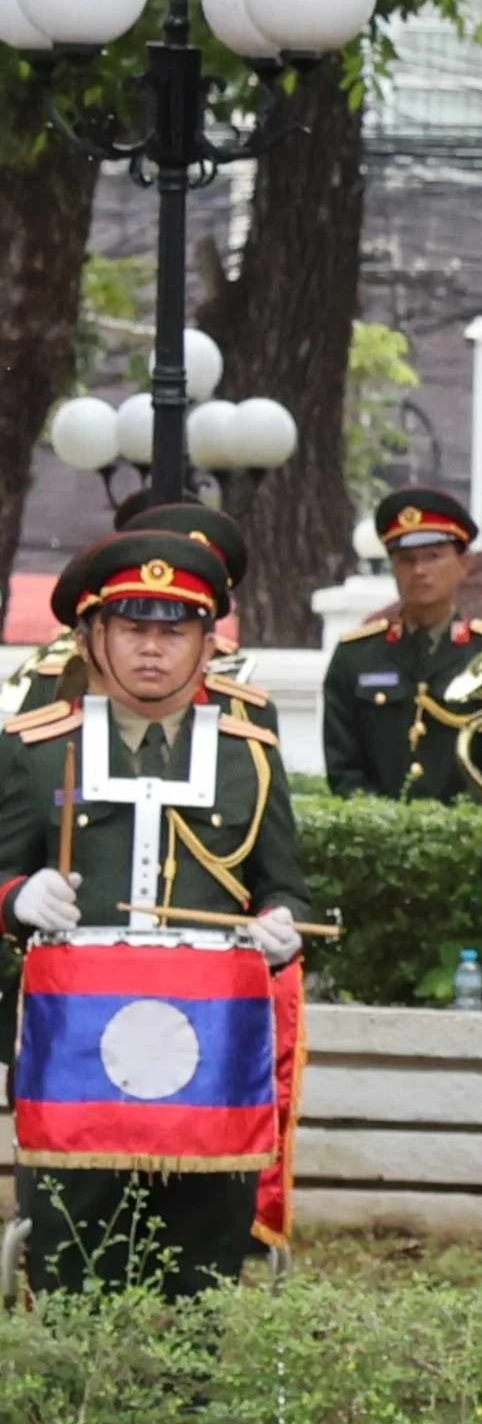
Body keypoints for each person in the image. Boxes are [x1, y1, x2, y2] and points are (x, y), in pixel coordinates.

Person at [4, 529, 314, 1297]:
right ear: (91, 637)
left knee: (199, 1263)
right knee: (73, 1255)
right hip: (76, 1055)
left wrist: (279, 928)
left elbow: (286, 887)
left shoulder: (249, 753)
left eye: (175, 631)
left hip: (208, 1059)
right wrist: (16, 899)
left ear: (209, 644)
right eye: (133, 628)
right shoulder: (36, 748)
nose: (154, 649)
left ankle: (190, 1410)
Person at [324, 488, 482, 795]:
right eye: (406, 560)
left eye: (434, 557)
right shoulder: (356, 656)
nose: (419, 571)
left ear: (464, 563)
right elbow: (343, 768)